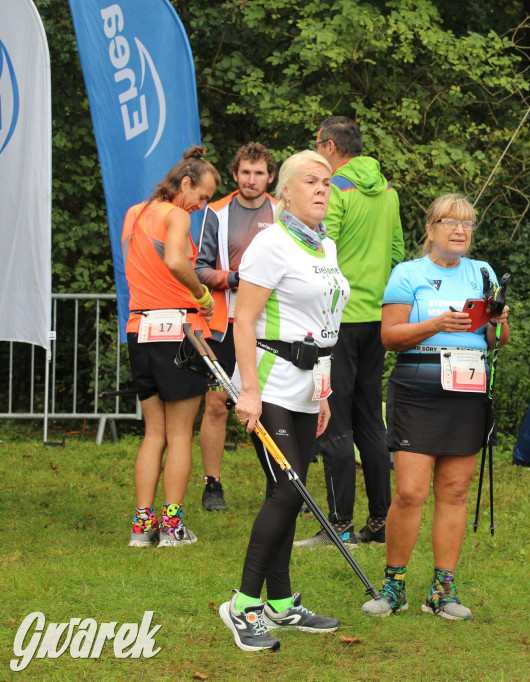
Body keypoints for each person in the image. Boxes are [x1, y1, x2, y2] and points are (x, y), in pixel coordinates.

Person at [219, 150, 349, 651]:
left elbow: (324, 326)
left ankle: (280, 604)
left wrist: (325, 390)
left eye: (328, 182)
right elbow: (243, 321)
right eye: (312, 181)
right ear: (286, 193)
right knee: (289, 490)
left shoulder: (327, 247)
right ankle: (243, 606)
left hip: (306, 389)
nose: (322, 189)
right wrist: (247, 390)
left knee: (289, 491)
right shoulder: (270, 243)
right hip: (268, 385)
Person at [360, 193, 509, 621]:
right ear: (430, 229)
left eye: (468, 224)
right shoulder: (408, 273)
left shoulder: (483, 273)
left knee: (455, 491)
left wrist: (498, 324)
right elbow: (390, 337)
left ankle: (443, 589)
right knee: (409, 491)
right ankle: (394, 585)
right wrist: (437, 325)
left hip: (468, 386)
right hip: (417, 386)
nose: (460, 230)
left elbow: (498, 343)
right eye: (450, 222)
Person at [296, 116, 404, 549]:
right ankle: (380, 520)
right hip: (378, 318)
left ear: (328, 147)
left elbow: (326, 251)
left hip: (336, 320)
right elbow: (396, 252)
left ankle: (339, 525)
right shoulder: (389, 192)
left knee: (334, 420)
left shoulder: (336, 189)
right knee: (369, 422)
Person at [124, 145, 220, 548]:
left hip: (139, 328)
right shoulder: (177, 214)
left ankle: (141, 527)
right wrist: (202, 295)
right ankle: (172, 527)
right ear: (185, 184)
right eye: (202, 196)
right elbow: (179, 262)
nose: (201, 206)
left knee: (153, 433)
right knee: (180, 435)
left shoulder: (136, 212)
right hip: (178, 327)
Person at [195, 142, 278, 512]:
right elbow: (198, 269)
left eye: (259, 173)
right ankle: (213, 484)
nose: (251, 179)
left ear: (271, 177)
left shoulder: (284, 211)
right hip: (227, 323)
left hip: (271, 323)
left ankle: (280, 483)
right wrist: (236, 279)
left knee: (277, 404)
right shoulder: (216, 211)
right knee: (216, 403)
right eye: (245, 172)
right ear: (234, 175)